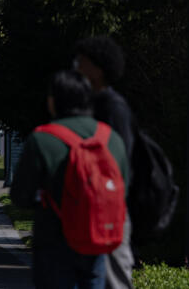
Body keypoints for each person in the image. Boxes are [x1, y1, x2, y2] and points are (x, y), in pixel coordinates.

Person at [11, 70, 128, 289]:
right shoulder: (110, 138)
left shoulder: (43, 139)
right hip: (97, 240)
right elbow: (124, 189)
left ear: (53, 101)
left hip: (53, 244)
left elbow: (19, 196)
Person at [73, 35, 136, 288]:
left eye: (82, 62)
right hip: (94, 211)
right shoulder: (96, 104)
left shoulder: (113, 108)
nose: (76, 67)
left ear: (97, 70)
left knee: (113, 280)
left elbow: (121, 162)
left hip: (109, 212)